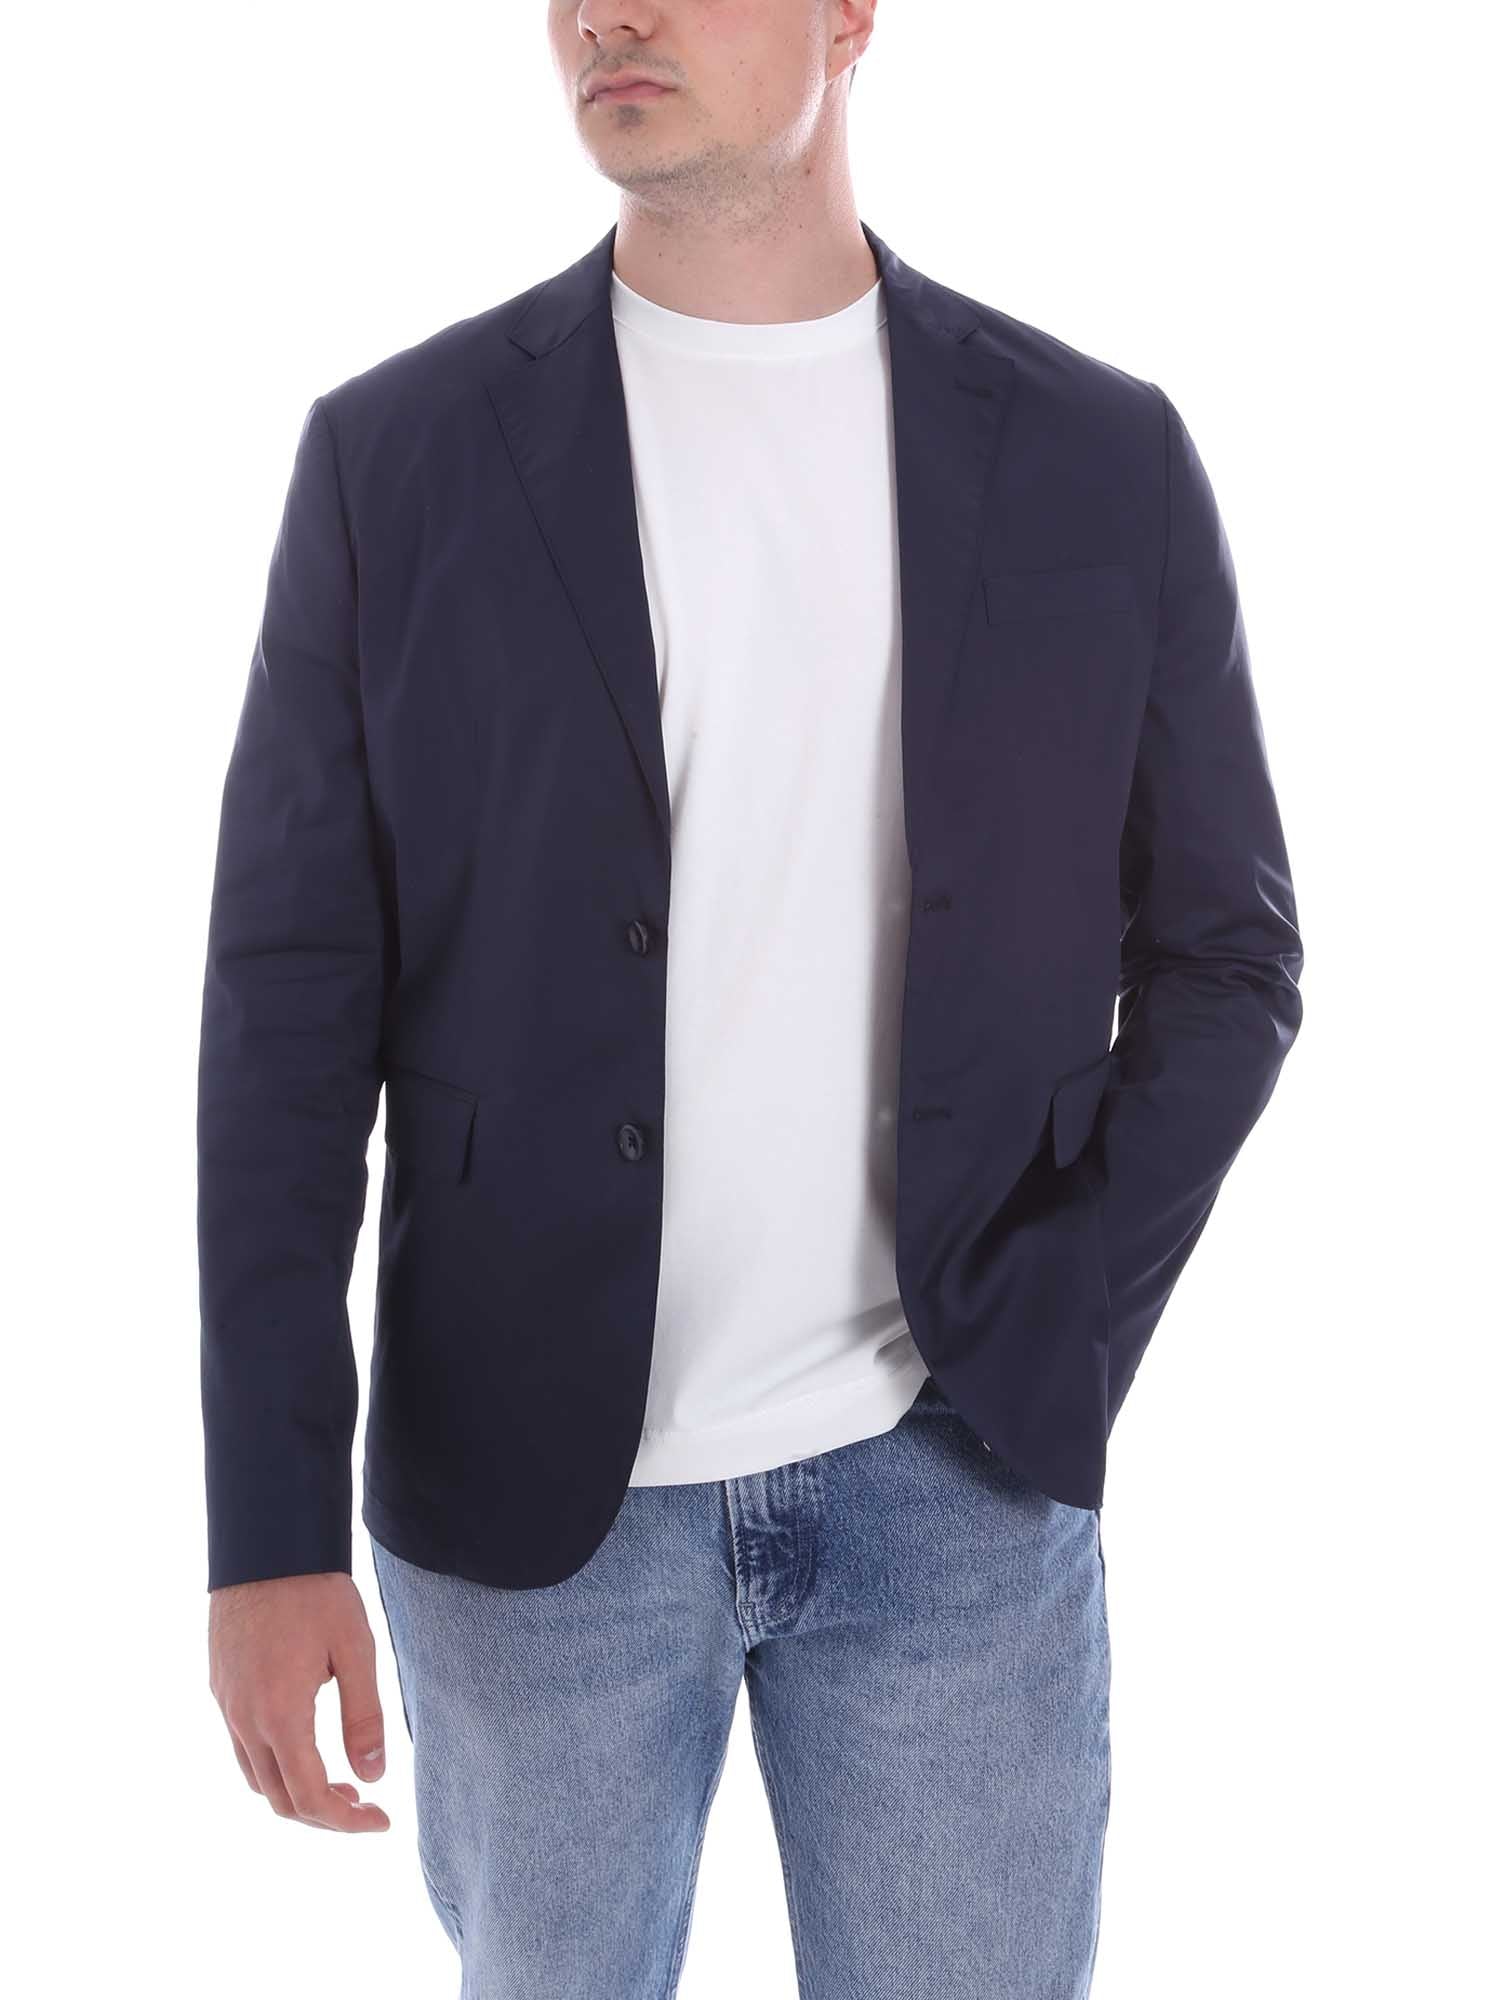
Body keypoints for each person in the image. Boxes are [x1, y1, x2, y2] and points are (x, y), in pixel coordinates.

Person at [198, 4, 1305, 1994]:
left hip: (952, 1495)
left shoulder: (1097, 457)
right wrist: (267, 1533)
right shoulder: (396, 459)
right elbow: (284, 1018)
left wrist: (1056, 1320)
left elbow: (1229, 957)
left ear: (852, 14)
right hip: (531, 1518)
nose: (606, 15)